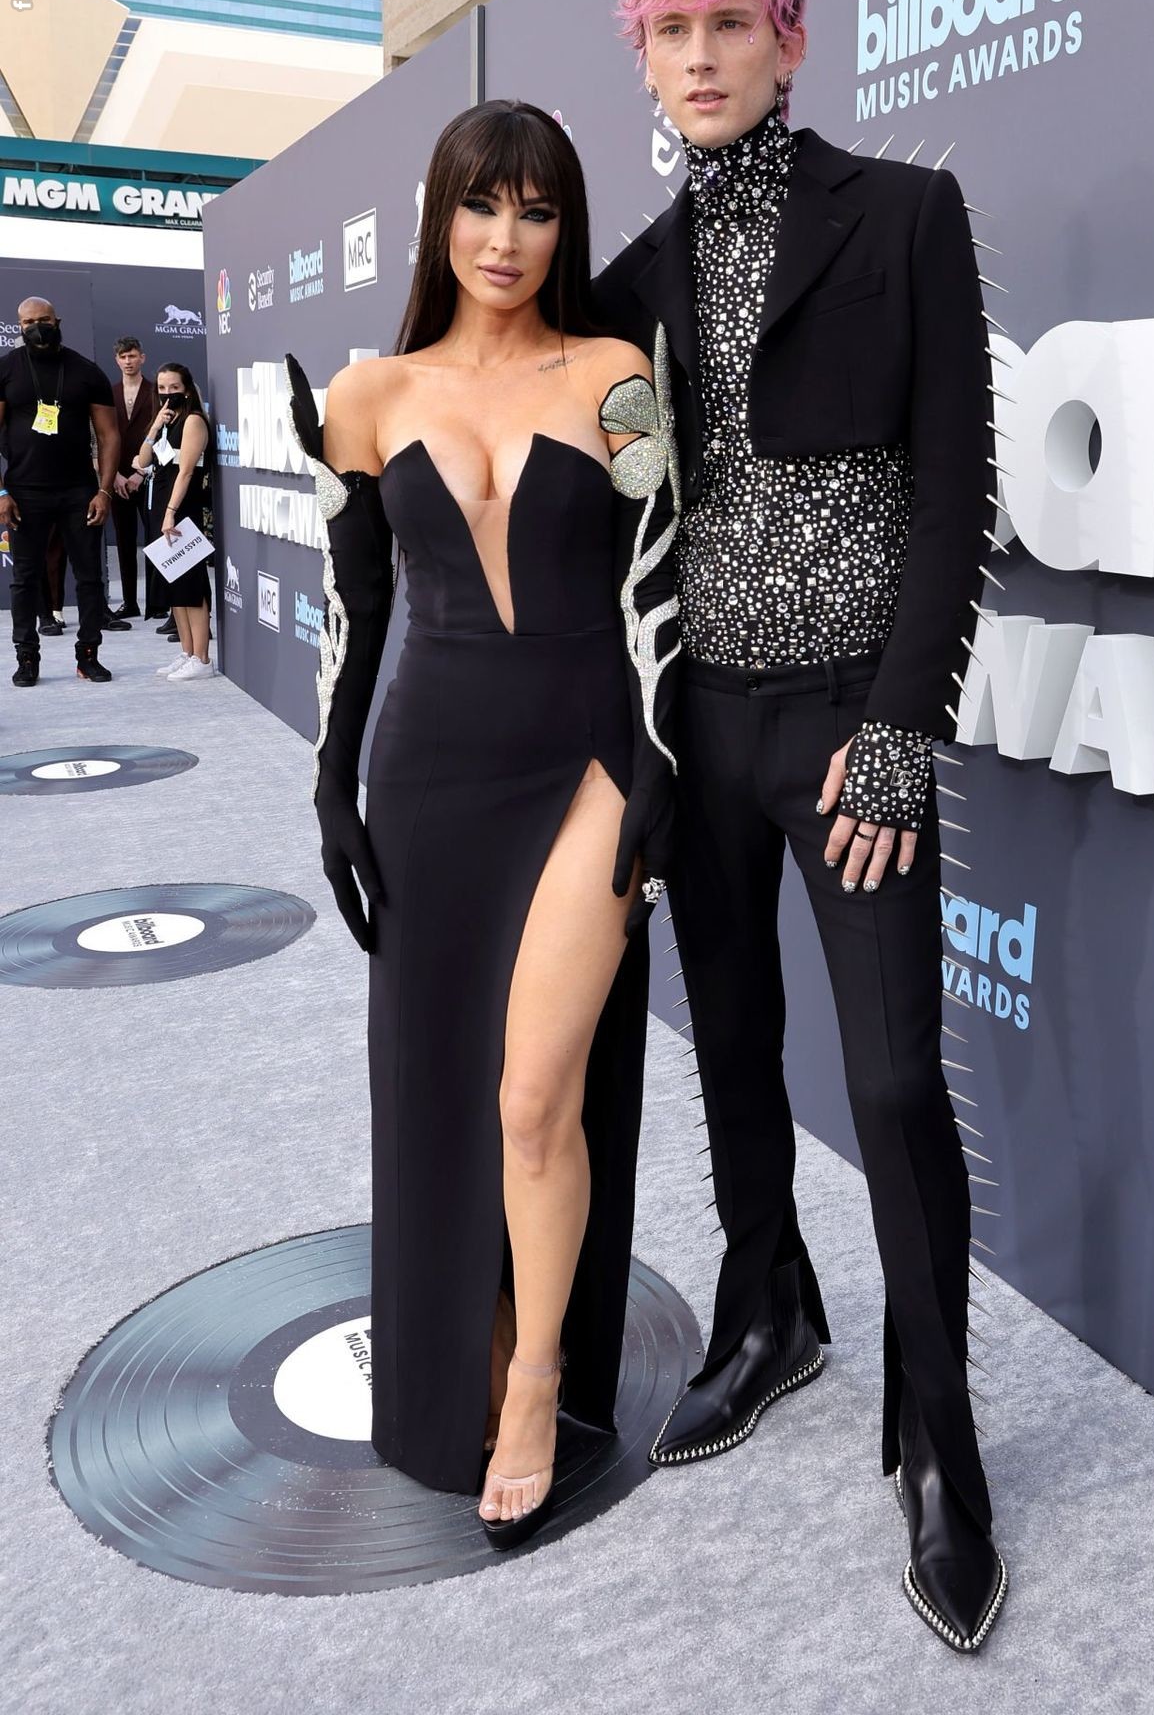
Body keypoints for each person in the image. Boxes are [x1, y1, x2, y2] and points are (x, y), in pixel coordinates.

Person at [590, 0, 1008, 1653]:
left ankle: (941, 1437)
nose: (701, 57)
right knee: (736, 1046)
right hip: (702, 726)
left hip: (850, 721)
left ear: (788, 39)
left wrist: (901, 730)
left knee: (897, 1085)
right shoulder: (635, 275)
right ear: (645, 57)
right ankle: (770, 1311)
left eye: (729, 25)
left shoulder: (903, 212)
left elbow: (957, 483)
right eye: (671, 32)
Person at [286, 100, 680, 1547]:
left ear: (565, 226)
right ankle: (479, 1335)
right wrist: (330, 783)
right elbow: (353, 609)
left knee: (533, 1097)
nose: (505, 239)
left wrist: (662, 764)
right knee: (444, 1091)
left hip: (590, 761)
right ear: (438, 216)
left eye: (536, 209)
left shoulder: (619, 377)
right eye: (480, 205)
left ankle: (535, 1377)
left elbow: (661, 579)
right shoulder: (365, 395)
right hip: (428, 774)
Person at [0, 295, 118, 686]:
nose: (37, 327)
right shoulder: (7, 369)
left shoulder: (86, 371)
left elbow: (109, 435)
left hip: (79, 491)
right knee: (24, 579)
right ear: (19, 326)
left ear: (58, 321)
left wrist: (104, 491)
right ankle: (26, 658)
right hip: (23, 492)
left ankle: (89, 655)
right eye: (28, 322)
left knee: (89, 578)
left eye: (44, 320)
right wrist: (1, 494)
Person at [131, 363, 215, 681]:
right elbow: (141, 461)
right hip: (161, 506)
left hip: (182, 509)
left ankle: (202, 658)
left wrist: (170, 511)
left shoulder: (193, 421)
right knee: (175, 583)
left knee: (191, 584)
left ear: (187, 389)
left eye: (174, 388)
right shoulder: (167, 422)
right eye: (162, 388)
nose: (167, 394)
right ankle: (187, 652)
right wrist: (154, 427)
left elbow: (187, 472)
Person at [109, 336, 154, 622]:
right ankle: (129, 602)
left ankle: (157, 602)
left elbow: (162, 437)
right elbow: (100, 437)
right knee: (124, 543)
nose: (128, 361)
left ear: (142, 358)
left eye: (133, 356)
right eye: (123, 357)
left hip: (149, 478)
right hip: (116, 481)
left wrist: (141, 473)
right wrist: (113, 475)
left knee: (155, 540)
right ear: (117, 360)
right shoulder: (109, 393)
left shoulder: (155, 392)